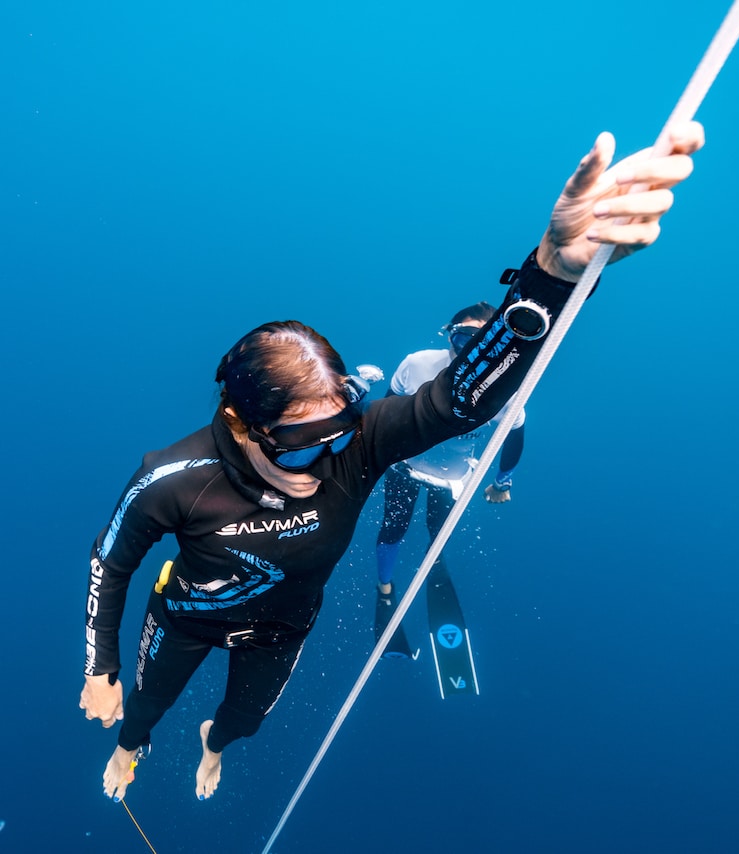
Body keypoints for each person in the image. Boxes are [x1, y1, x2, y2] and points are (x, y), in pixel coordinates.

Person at [79, 124, 706, 802]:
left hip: (281, 629)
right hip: (187, 615)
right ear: (241, 423)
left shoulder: (362, 445)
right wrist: (100, 665)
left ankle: (213, 744)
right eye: (300, 444)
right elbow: (110, 562)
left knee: (241, 723)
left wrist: (551, 276)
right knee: (141, 707)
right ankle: (131, 748)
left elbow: (463, 399)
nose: (323, 460)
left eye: (339, 432)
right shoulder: (172, 478)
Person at [371, 301, 527, 667]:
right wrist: (375, 454)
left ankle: (434, 561)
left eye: (479, 340)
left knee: (435, 530)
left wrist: (502, 482)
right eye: (461, 337)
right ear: (448, 336)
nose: (467, 349)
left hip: (451, 478)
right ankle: (384, 588)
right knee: (394, 526)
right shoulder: (418, 363)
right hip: (404, 465)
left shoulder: (507, 386)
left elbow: (515, 437)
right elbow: (387, 409)